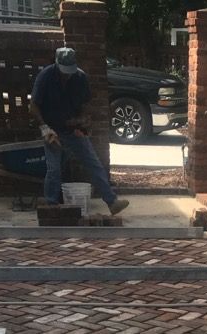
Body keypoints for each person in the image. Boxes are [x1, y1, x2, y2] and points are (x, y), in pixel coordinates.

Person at [30, 47, 129, 215]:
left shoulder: (80, 77)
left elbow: (84, 105)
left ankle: (112, 202)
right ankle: (51, 206)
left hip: (72, 129)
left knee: (94, 163)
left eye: (69, 72)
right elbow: (34, 105)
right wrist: (45, 128)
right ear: (56, 63)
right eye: (64, 72)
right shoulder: (46, 76)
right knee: (53, 168)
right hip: (52, 129)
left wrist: (82, 125)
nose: (67, 75)